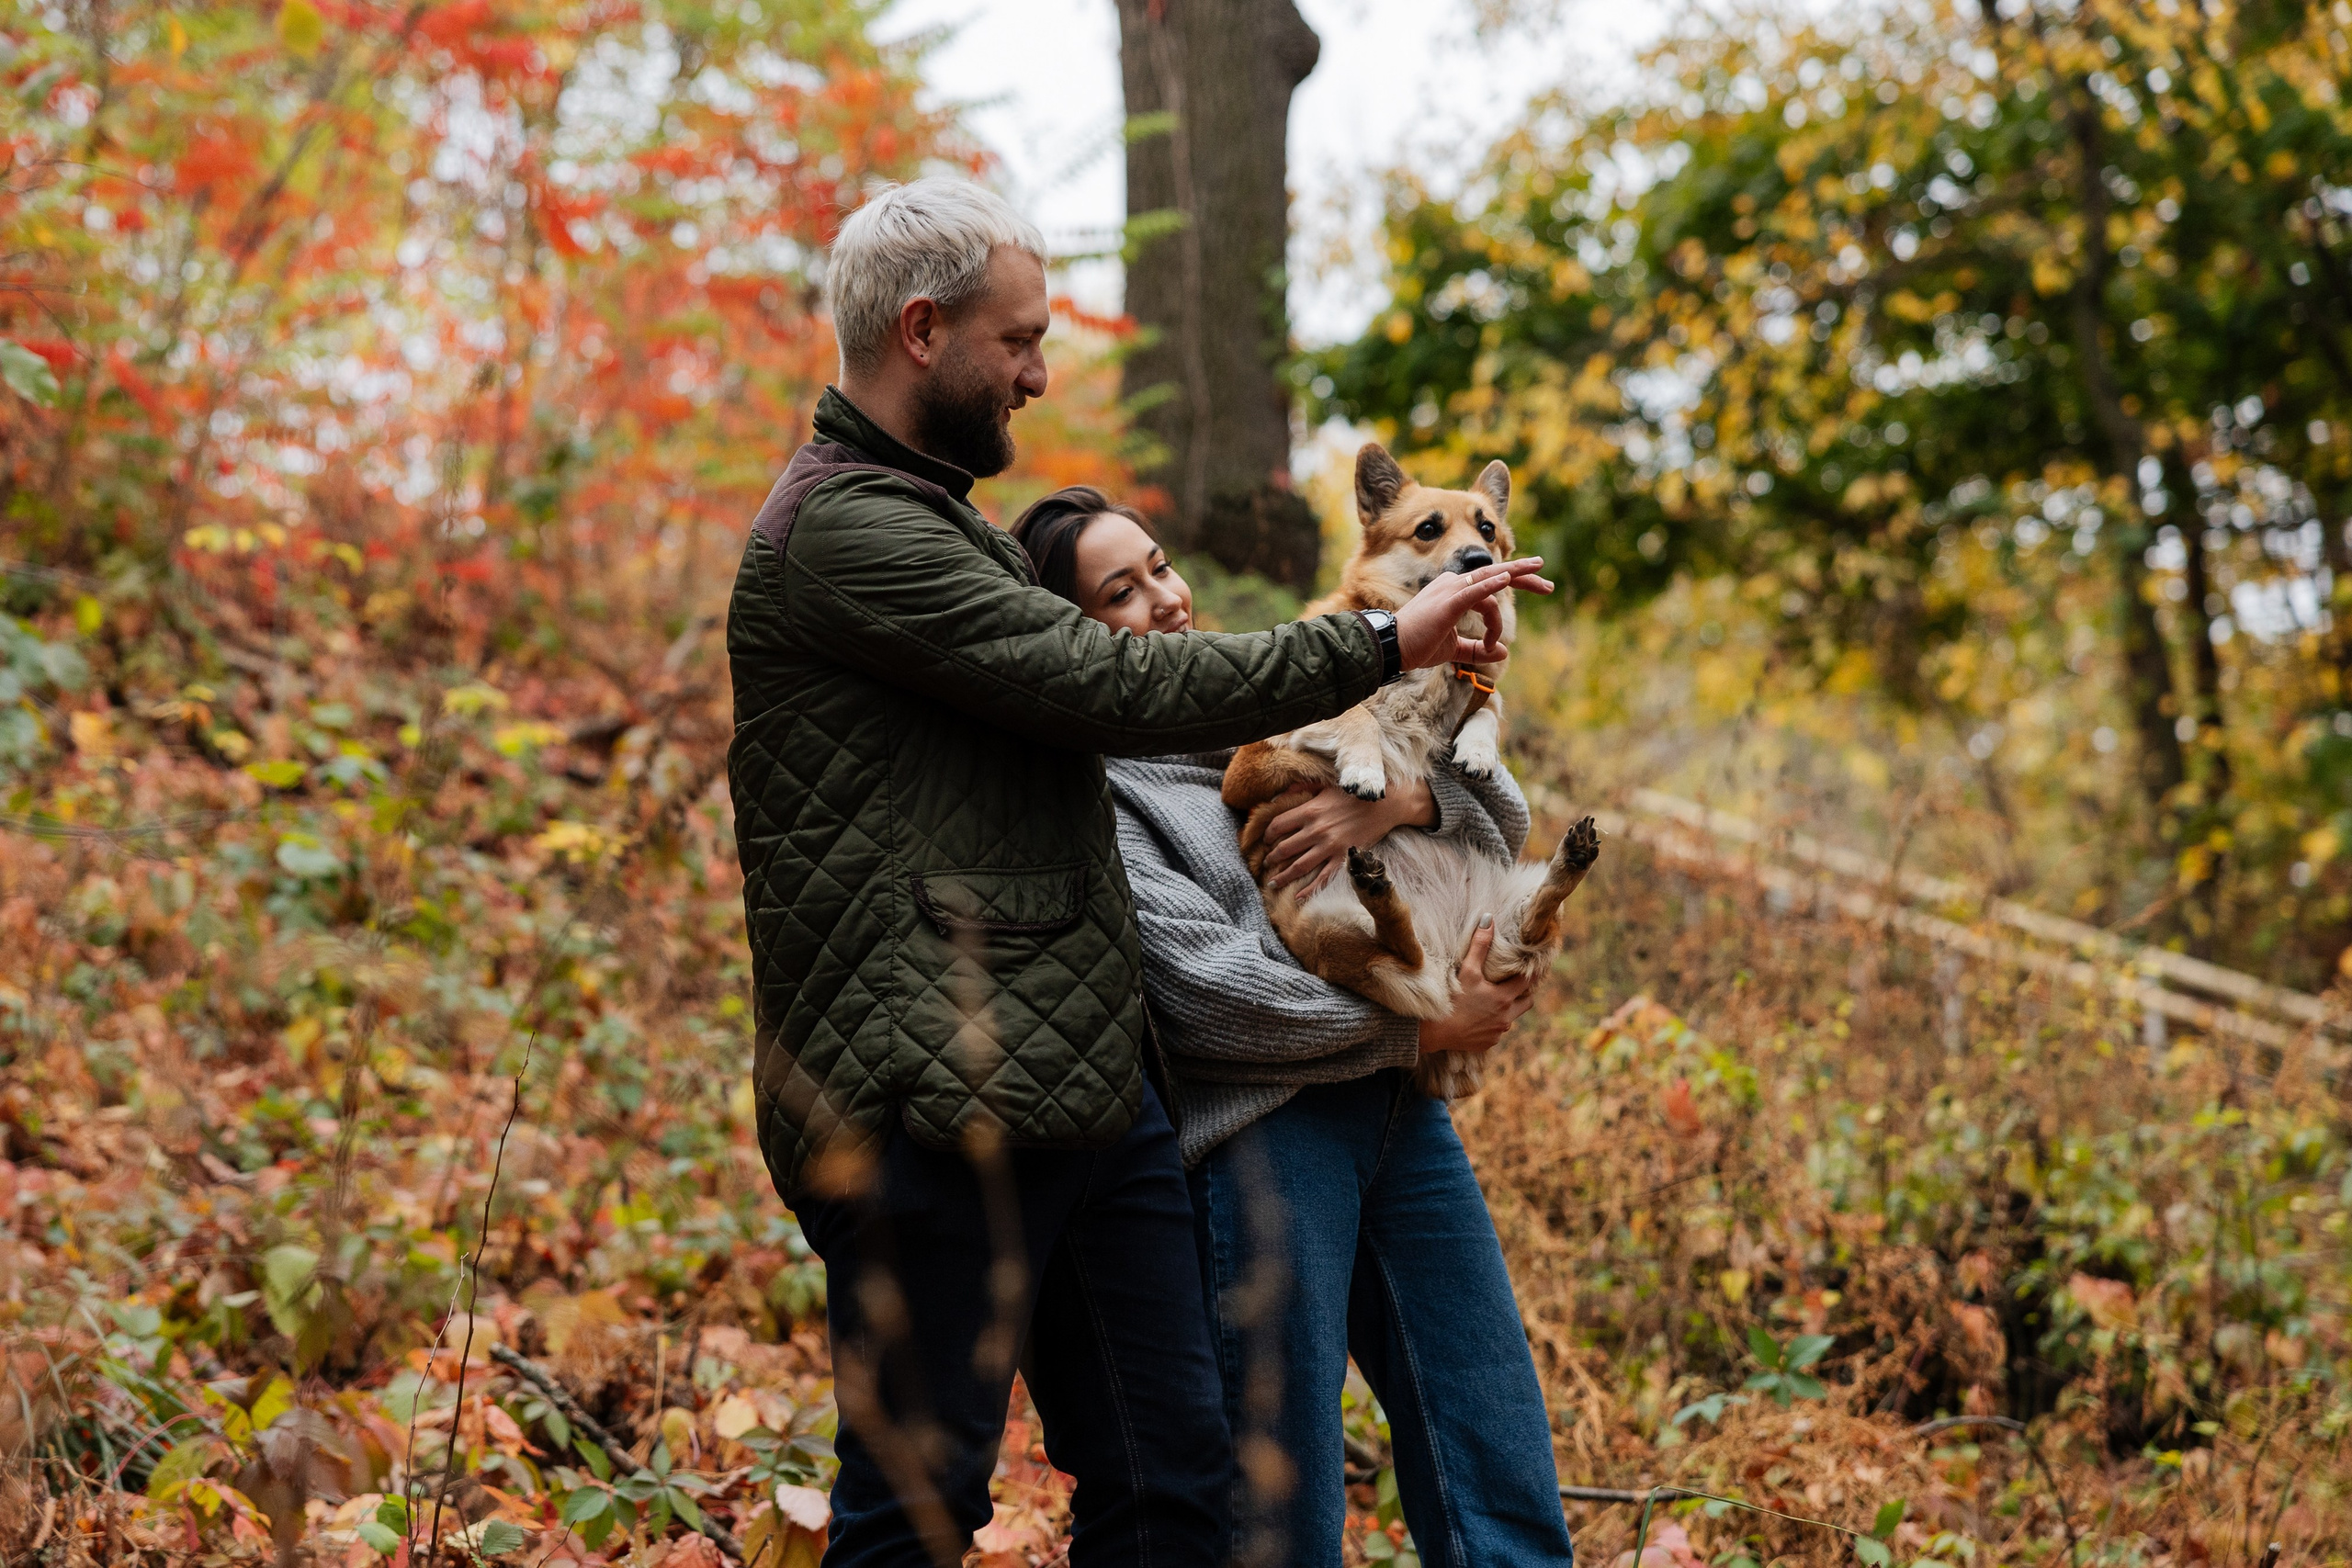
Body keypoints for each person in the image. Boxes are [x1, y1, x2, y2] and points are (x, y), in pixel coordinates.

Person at [724, 175, 1552, 1568]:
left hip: (1078, 1093)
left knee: (1176, 1494)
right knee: (920, 1508)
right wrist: (1382, 643)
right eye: (1019, 340)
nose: (1042, 372)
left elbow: (1453, 810)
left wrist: (1407, 767)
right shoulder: (847, 530)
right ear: (922, 330)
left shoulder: (940, 522)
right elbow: (1096, 685)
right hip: (930, 1097)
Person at [1012, 486, 1577, 1568]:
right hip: (1266, 1140)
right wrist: (1416, 1033)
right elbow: (1203, 995)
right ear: (1068, 636)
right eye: (1118, 593)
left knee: (1489, 1431)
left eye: (1161, 566)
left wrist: (1402, 804)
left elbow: (1497, 804)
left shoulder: (1264, 691)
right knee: (1285, 1490)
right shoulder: (1089, 791)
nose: (1165, 601)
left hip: (1402, 1121)